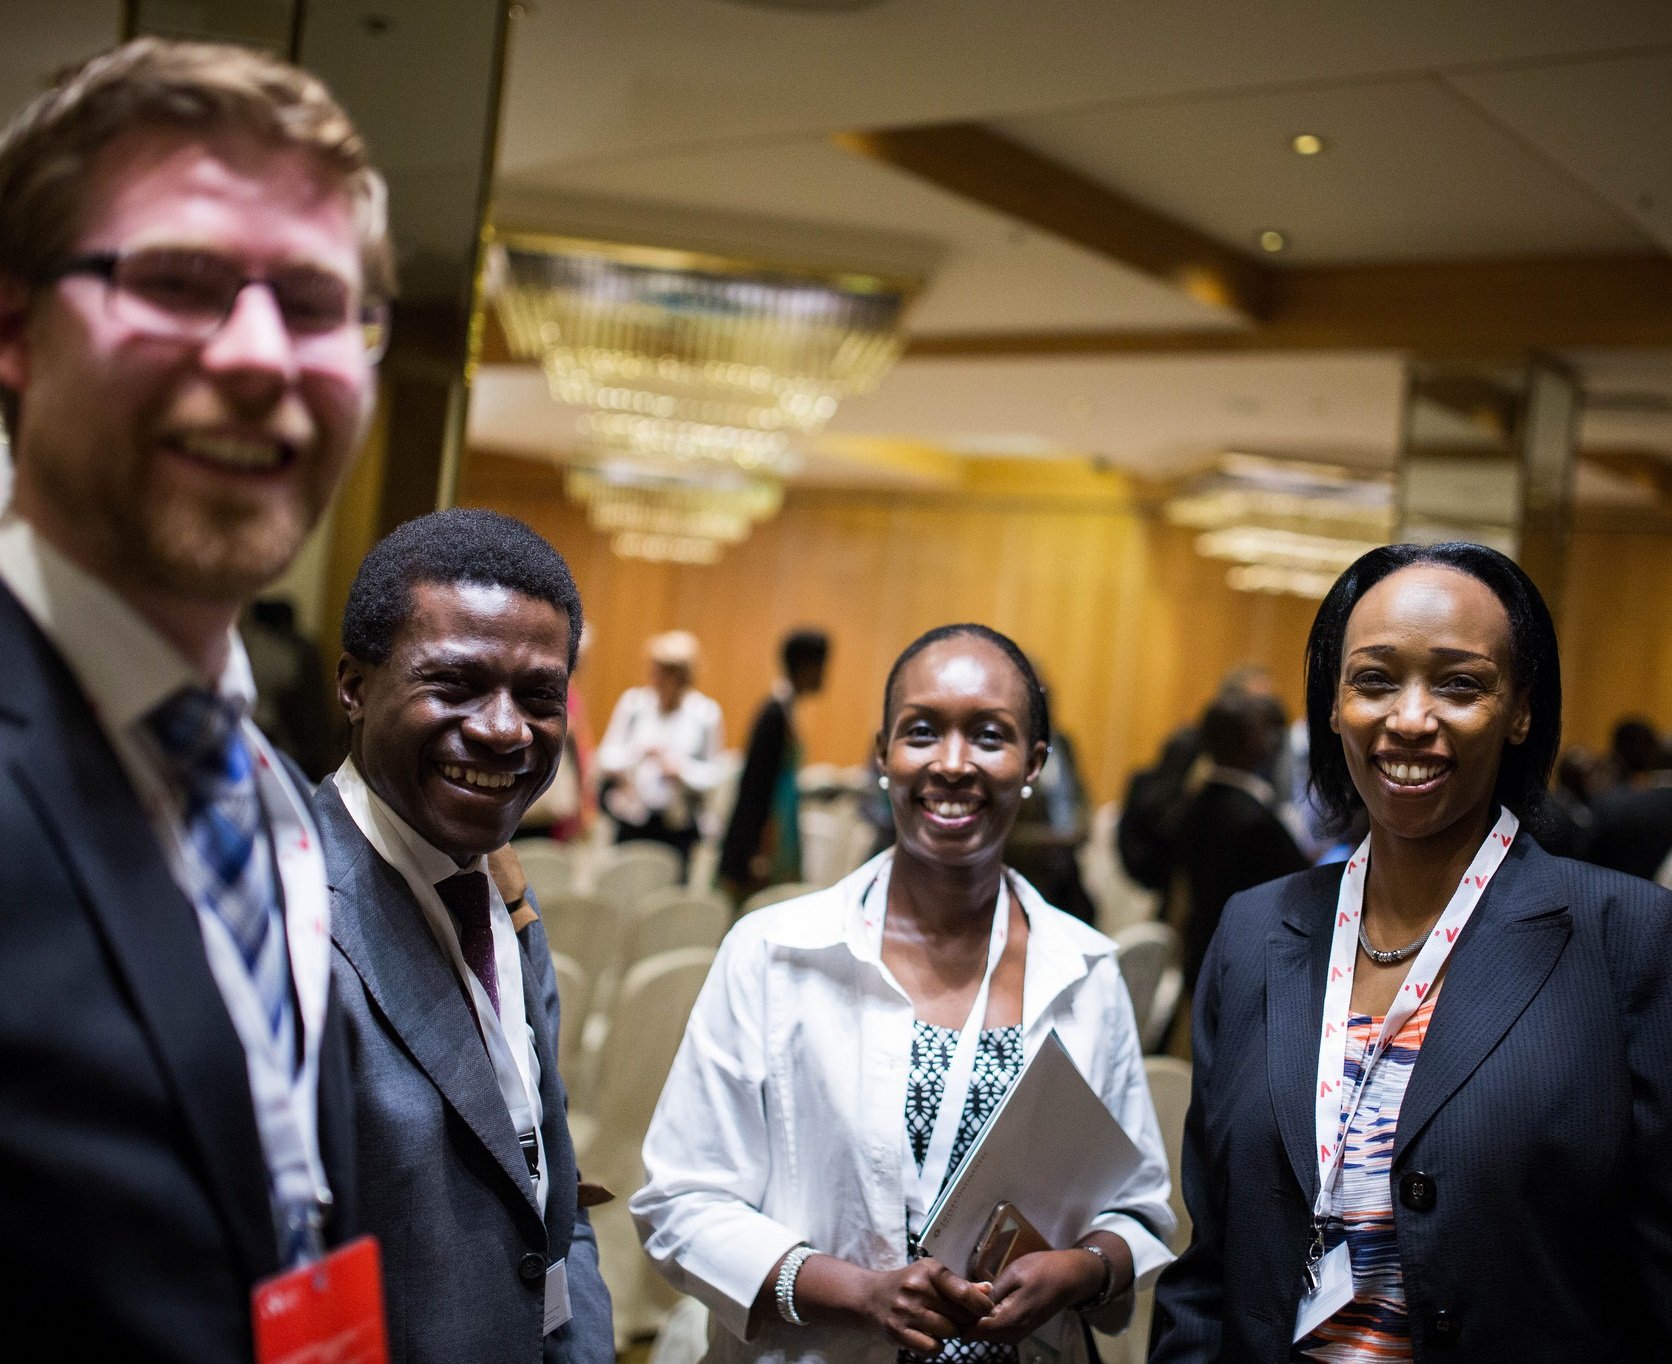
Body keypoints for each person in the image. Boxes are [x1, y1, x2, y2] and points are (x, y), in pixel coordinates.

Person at [0, 38, 390, 1358]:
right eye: (178, 281)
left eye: (319, 304)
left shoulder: (273, 792)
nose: (260, 356)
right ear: (14, 328)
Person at [1150, 542, 1672, 1362]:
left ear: (1523, 709)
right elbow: (1210, 1267)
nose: (1411, 718)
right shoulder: (1255, 933)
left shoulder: (1629, 937)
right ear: (1332, 703)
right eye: (1376, 679)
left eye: (1460, 683)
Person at [632, 623, 1175, 1364]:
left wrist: (1083, 1269)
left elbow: (1138, 1208)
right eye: (921, 733)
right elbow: (680, 1205)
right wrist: (855, 1292)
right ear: (882, 756)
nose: (952, 764)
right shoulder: (774, 953)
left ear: (1033, 764)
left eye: (989, 736)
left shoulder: (1087, 971)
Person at [316, 508, 613, 1363]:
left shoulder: (500, 888)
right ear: (354, 685)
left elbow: (548, 1183)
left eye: (538, 696)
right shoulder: (278, 905)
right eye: (454, 684)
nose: (503, 729)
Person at [1175, 690, 1309, 989]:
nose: (1273, 739)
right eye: (1264, 730)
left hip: (1203, 952)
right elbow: (1295, 885)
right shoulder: (1250, 819)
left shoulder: (1197, 800)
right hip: (1241, 965)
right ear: (1248, 741)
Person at [597, 628, 724, 873]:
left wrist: (682, 770)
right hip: (632, 818)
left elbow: (714, 775)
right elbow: (606, 759)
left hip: (677, 825)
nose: (659, 678)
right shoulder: (634, 704)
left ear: (684, 675)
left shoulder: (705, 714)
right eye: (657, 669)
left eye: (669, 672)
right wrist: (638, 753)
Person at [718, 627, 830, 903]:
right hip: (764, 843)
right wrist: (753, 851)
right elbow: (755, 788)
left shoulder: (785, 710)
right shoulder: (773, 714)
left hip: (778, 834)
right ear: (805, 666)